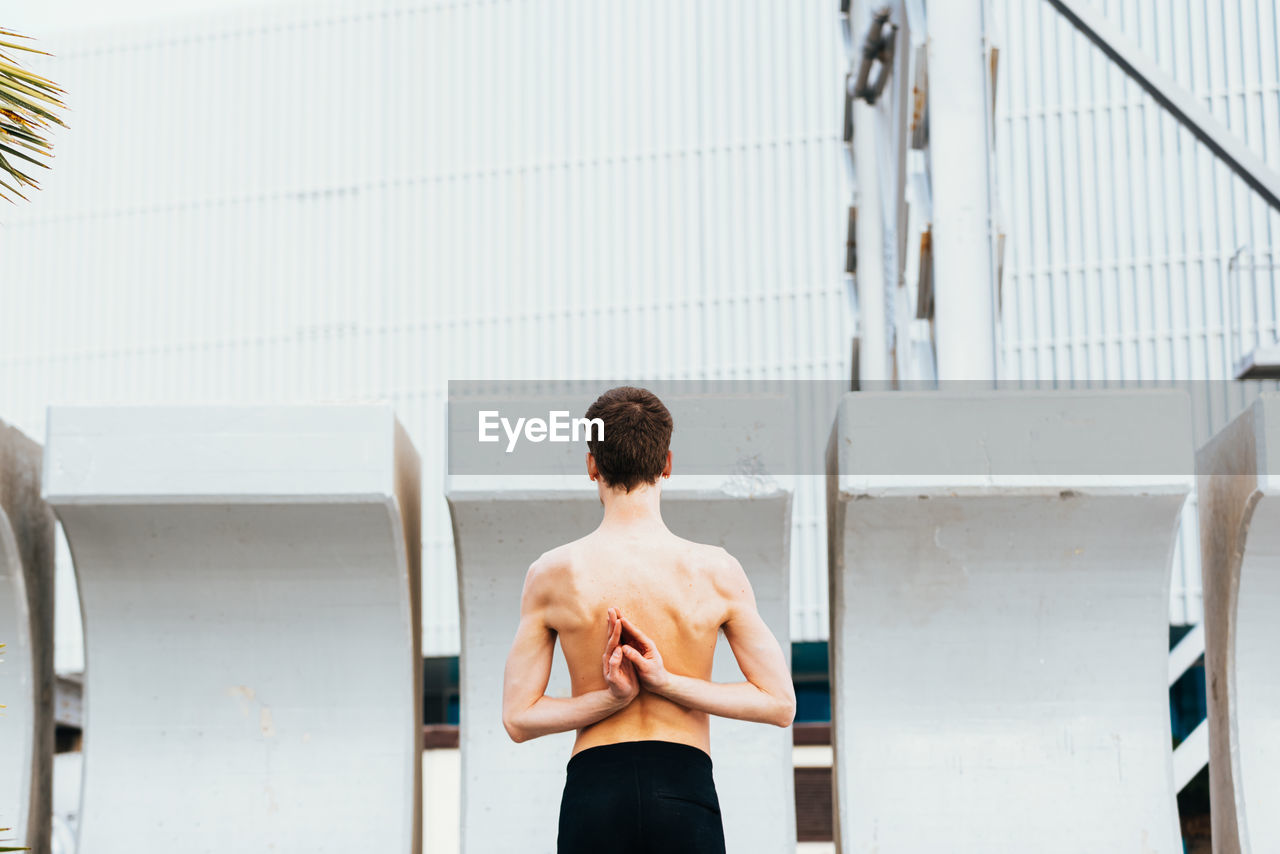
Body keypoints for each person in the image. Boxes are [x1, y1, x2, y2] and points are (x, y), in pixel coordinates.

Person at [501, 386, 796, 854]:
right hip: (684, 786)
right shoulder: (716, 570)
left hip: (594, 791)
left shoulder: (551, 574)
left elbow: (519, 718)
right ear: (667, 464)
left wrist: (612, 699)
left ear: (592, 465)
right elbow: (779, 703)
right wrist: (668, 683)